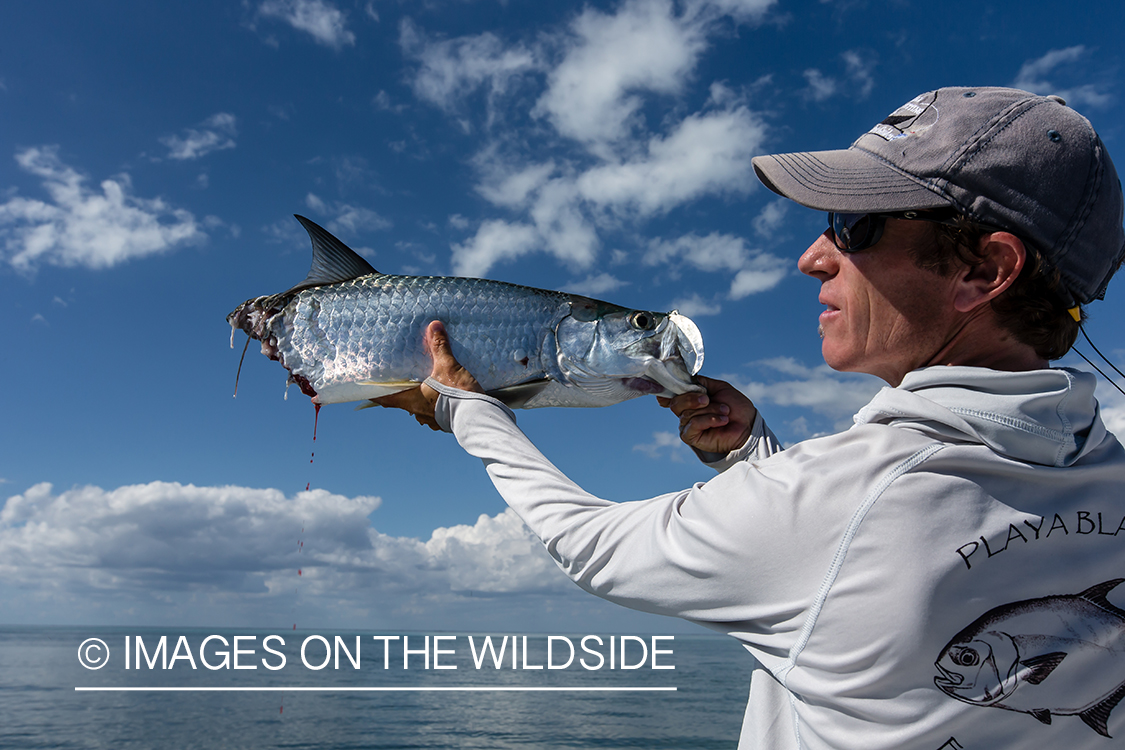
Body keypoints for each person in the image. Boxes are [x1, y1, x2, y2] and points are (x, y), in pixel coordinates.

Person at [376, 87, 1125, 749]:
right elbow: (851, 562)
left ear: (983, 270)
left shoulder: (845, 497)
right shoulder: (1108, 466)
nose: (812, 257)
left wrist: (469, 410)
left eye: (853, 226)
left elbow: (589, 547)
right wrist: (752, 454)